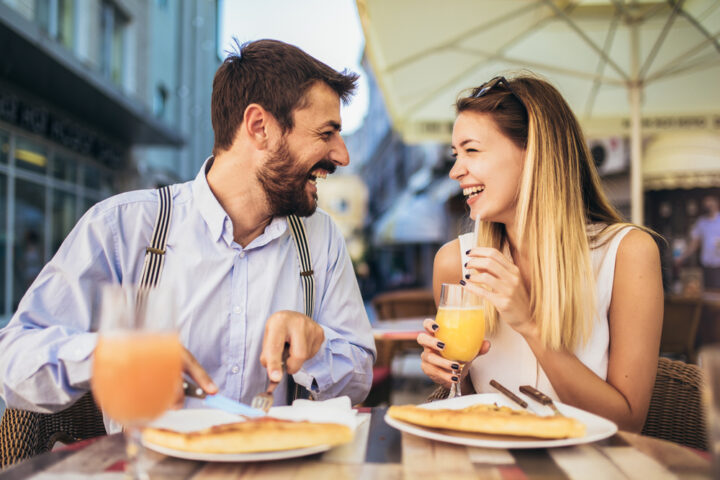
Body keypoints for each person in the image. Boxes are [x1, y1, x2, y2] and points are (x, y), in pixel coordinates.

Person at [0, 39, 375, 428]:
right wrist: (107, 353)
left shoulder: (320, 238)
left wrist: (316, 348)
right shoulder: (123, 228)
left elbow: (359, 378)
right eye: (326, 133)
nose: (342, 155)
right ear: (260, 127)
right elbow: (13, 359)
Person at [417, 75, 663, 432]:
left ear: (534, 153)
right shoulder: (455, 262)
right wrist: (455, 372)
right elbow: (468, 402)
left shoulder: (627, 254)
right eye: (456, 155)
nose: (456, 171)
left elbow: (627, 425)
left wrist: (530, 324)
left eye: (471, 150)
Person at [675, 194, 720, 290]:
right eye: (706, 202)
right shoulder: (701, 222)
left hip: (718, 264)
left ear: (716, 203)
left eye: (710, 202)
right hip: (706, 265)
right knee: (708, 294)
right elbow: (695, 243)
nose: (708, 205)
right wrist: (682, 257)